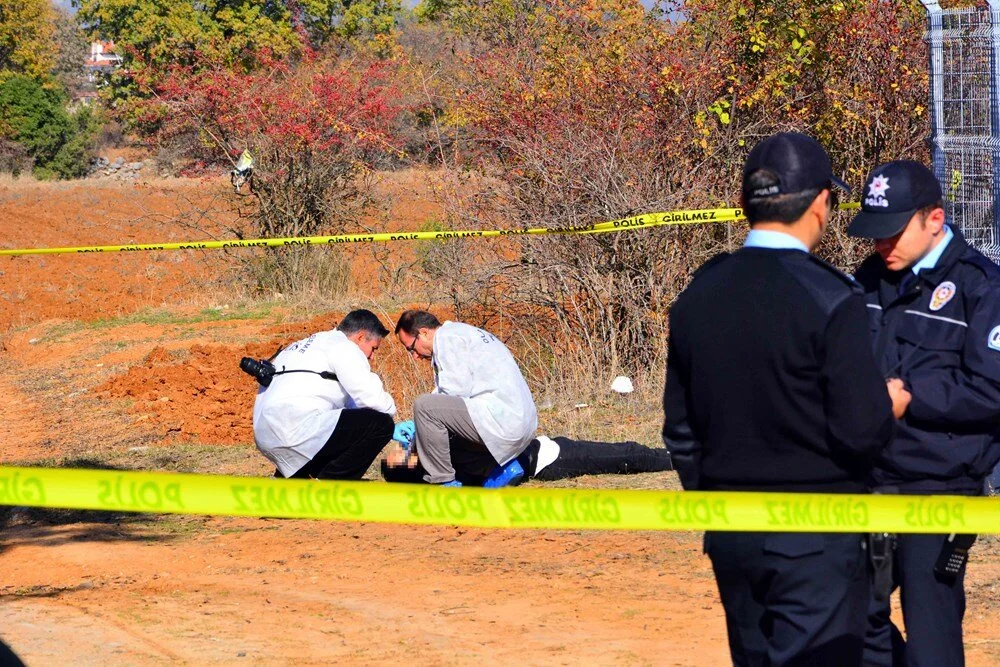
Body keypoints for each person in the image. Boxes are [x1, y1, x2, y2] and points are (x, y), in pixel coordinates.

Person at [663, 132, 900, 665]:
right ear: (820, 203)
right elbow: (861, 430)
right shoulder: (831, 297)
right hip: (817, 537)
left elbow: (679, 429)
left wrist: (715, 499)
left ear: (745, 203)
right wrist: (891, 405)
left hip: (730, 531)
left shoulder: (697, 296)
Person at [847, 160, 1000, 666]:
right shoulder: (866, 280)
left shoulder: (982, 287)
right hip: (866, 479)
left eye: (892, 233)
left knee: (932, 641)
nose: (881, 245)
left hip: (939, 487)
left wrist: (913, 397)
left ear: (934, 219)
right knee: (845, 616)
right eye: (874, 234)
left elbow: (992, 390)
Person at [394, 309, 537, 487]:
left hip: (502, 419)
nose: (414, 356)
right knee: (438, 441)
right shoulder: (463, 333)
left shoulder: (447, 339)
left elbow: (453, 393)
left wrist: (419, 431)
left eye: (411, 348)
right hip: (520, 423)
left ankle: (443, 482)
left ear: (424, 332)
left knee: (423, 407)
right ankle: (497, 470)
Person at [252, 309, 399, 480]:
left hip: (265, 435)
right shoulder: (344, 347)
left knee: (340, 430)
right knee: (380, 425)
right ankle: (329, 488)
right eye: (373, 348)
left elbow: (351, 406)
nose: (372, 357)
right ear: (360, 337)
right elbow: (373, 400)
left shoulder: (302, 345)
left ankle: (293, 479)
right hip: (294, 430)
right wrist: (394, 417)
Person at [380, 434, 674, 485]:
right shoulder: (449, 468)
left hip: (544, 449)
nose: (405, 447)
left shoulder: (442, 457)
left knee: (627, 451)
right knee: (628, 456)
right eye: (402, 454)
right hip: (548, 460)